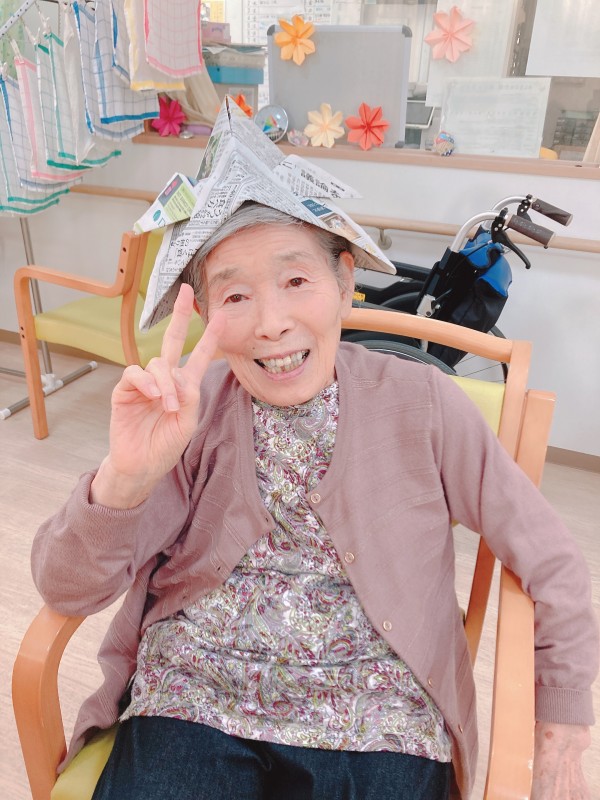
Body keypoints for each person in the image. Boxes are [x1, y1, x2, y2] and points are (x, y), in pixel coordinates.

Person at [32, 100, 597, 799]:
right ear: (205, 314)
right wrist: (124, 477)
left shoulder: (424, 402)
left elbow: (552, 559)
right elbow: (66, 589)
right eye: (235, 296)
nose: (272, 323)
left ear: (344, 282)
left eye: (296, 280)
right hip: (196, 693)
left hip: (381, 708)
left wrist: (561, 735)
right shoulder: (190, 412)